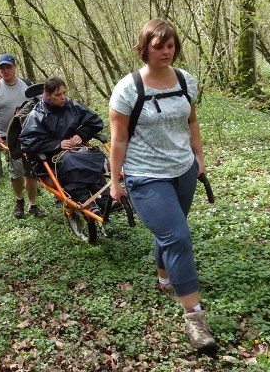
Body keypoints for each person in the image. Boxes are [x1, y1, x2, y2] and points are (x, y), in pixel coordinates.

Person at [108, 18, 215, 352]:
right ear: (145, 48)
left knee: (170, 230)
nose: (166, 52)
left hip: (182, 170)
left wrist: (199, 159)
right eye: (159, 46)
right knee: (178, 236)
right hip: (144, 175)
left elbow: (192, 121)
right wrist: (115, 181)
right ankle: (195, 321)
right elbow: (118, 139)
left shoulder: (186, 81)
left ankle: (164, 279)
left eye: (170, 46)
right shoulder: (128, 89)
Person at [18, 77, 108, 214]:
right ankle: (85, 202)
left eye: (64, 93)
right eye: (58, 95)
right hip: (51, 157)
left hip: (75, 150)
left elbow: (94, 122)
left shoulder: (72, 106)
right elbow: (28, 141)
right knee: (72, 163)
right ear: (47, 95)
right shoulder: (37, 115)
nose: (63, 97)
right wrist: (57, 144)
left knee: (93, 156)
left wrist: (81, 134)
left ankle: (105, 199)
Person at [0, 54, 44, 219]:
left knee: (31, 171)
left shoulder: (28, 86)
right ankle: (19, 200)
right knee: (16, 171)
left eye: (9, 66)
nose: (6, 70)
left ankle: (33, 204)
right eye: (2, 68)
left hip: (30, 134)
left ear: (15, 66)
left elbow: (43, 105)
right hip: (8, 137)